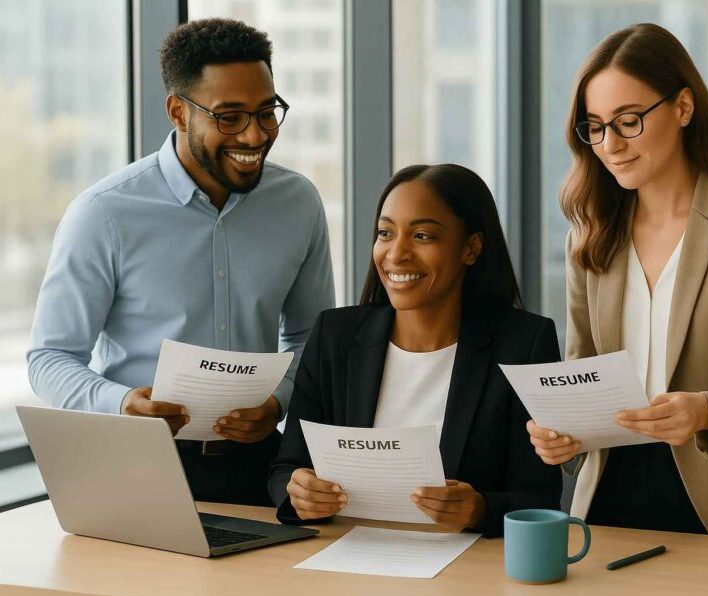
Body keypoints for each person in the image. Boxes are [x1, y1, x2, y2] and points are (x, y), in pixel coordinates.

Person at [527, 23, 708, 538]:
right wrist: (564, 434)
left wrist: (706, 411)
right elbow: (582, 377)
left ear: (683, 108)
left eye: (628, 120)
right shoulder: (594, 231)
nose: (609, 144)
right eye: (594, 127)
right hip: (610, 501)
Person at [27, 19, 335, 506]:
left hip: (260, 465)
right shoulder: (104, 212)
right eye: (229, 116)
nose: (255, 136)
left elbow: (310, 340)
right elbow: (50, 359)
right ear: (178, 111)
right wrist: (124, 403)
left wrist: (279, 400)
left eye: (266, 112)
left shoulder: (298, 202)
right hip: (134, 466)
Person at [268, 164, 561, 537]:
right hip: (344, 556)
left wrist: (480, 509)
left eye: (422, 235)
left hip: (469, 570)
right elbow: (286, 468)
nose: (397, 253)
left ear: (471, 248)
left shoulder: (524, 343)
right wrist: (297, 491)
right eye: (385, 233)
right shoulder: (335, 335)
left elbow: (541, 497)